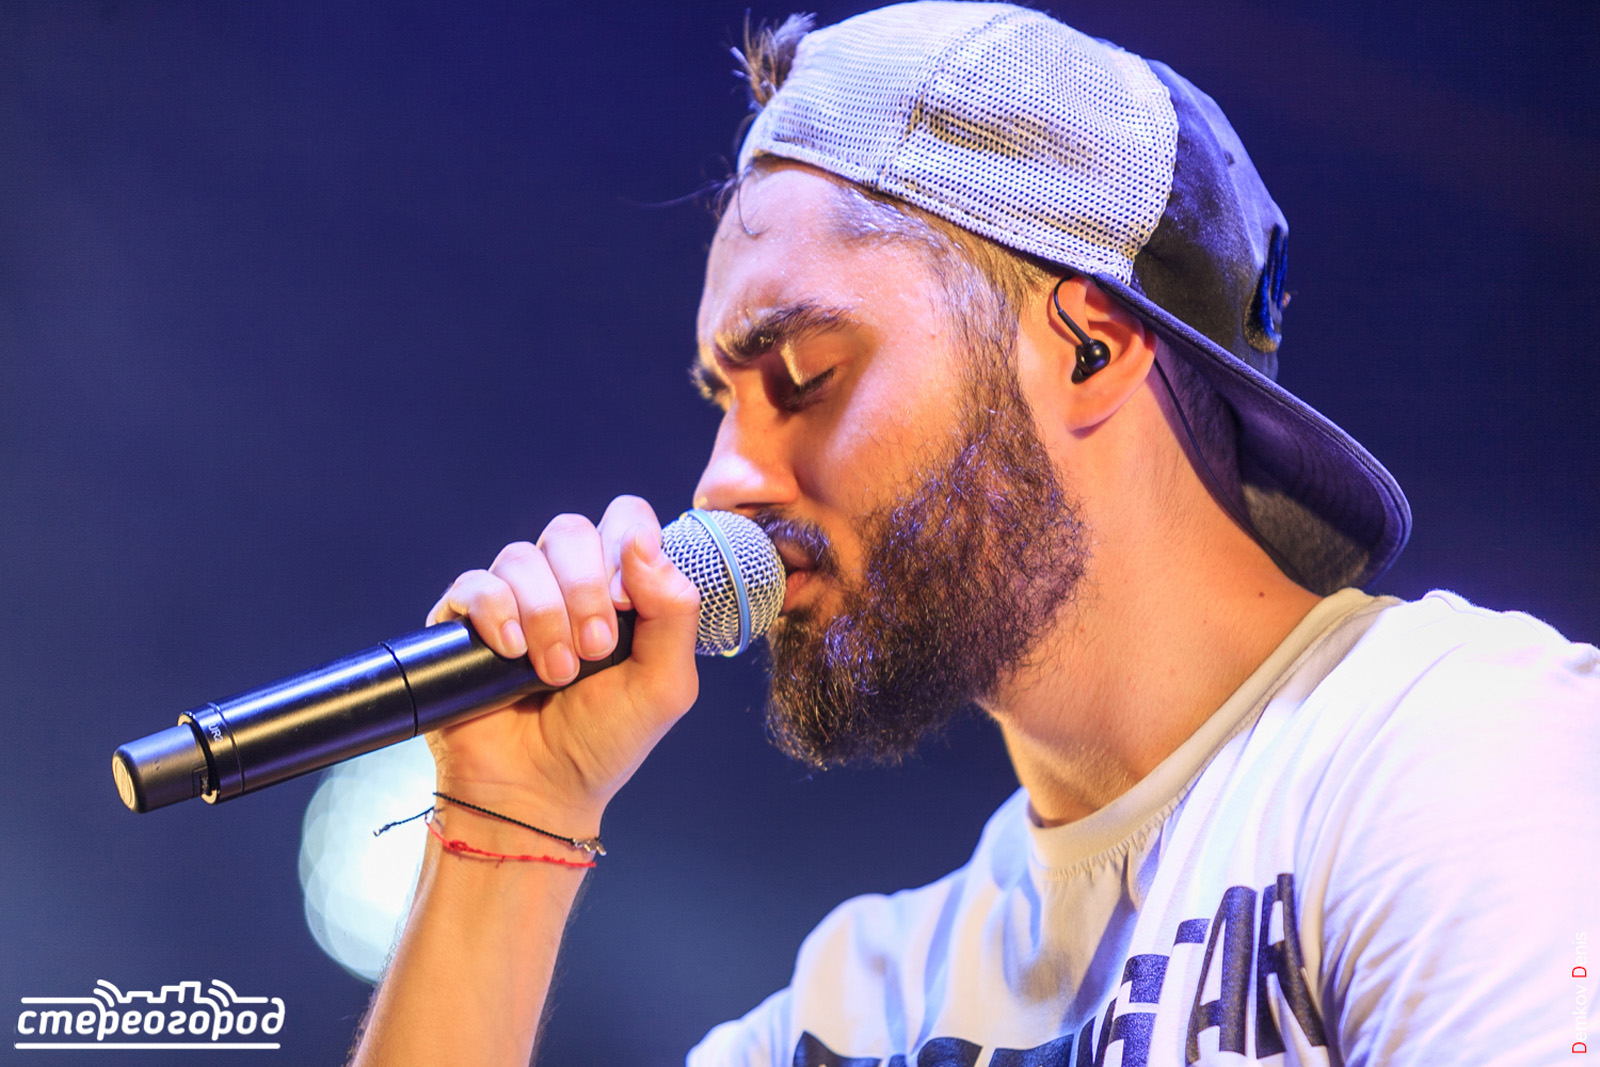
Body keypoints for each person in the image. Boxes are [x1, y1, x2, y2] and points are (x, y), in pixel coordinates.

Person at [349, 4, 1599, 1065]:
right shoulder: (852, 1003)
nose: (719, 483)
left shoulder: (1458, 754)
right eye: (721, 400)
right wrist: (509, 820)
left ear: (1090, 348)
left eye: (803, 374)